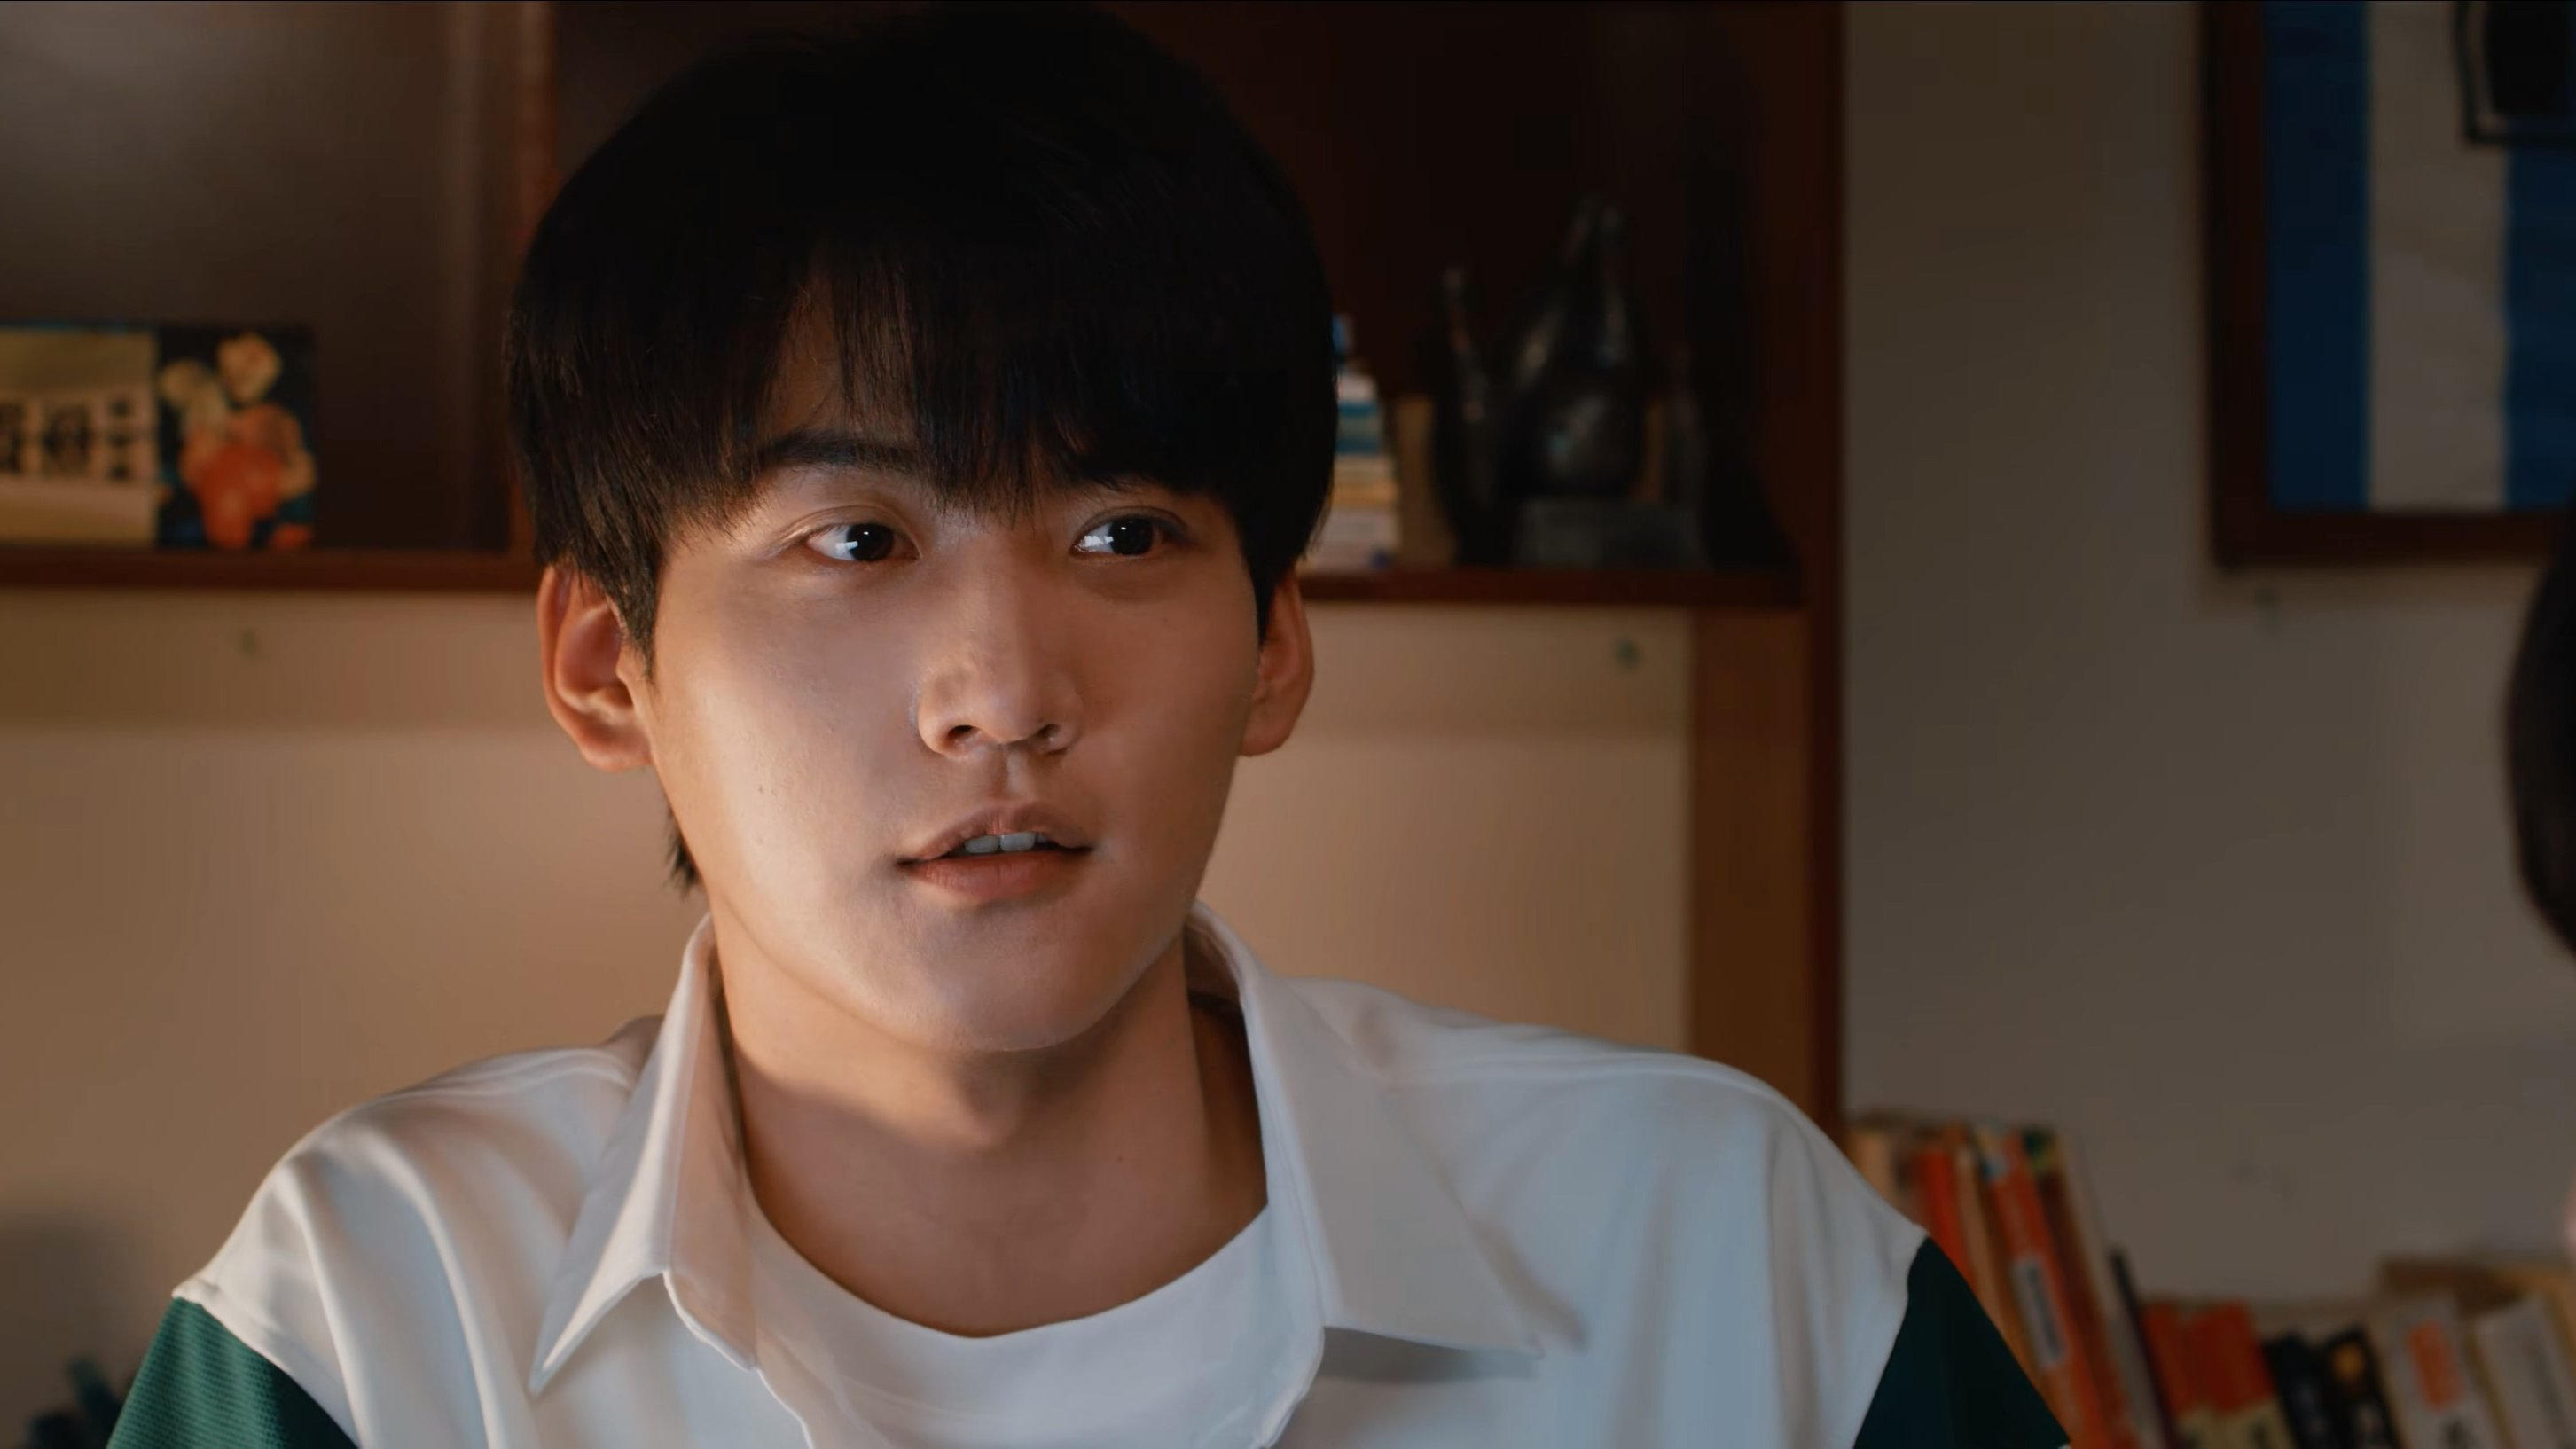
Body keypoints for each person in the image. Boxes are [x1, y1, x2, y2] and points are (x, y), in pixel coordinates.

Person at [106, 8, 2060, 1446]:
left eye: (1123, 532)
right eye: (857, 539)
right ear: (608, 667)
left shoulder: (1712, 1255)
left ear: (1274, 642)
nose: (1006, 696)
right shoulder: (375, 1316)